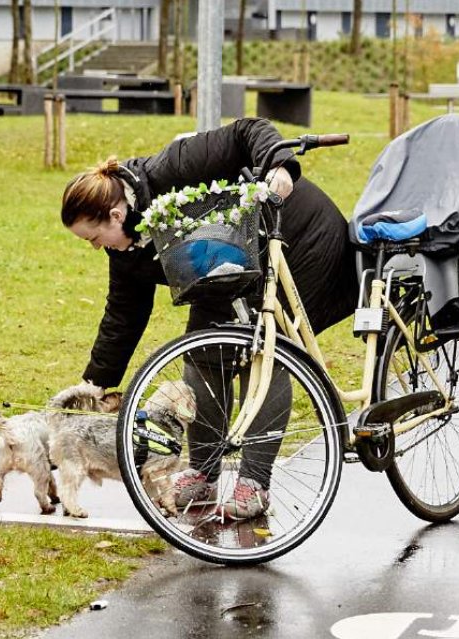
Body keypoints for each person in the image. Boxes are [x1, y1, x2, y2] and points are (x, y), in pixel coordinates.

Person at [60, 117, 358, 520]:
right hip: (226, 264)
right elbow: (124, 313)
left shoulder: (172, 167)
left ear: (115, 215)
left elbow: (247, 130)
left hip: (298, 235)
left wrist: (280, 167)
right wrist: (95, 381)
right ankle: (203, 469)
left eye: (92, 239)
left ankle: (254, 482)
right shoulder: (125, 249)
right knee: (202, 353)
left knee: (263, 350)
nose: (95, 248)